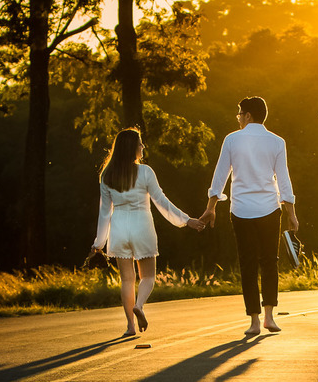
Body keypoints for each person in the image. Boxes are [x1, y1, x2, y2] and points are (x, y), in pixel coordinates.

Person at [197, 96, 298, 336]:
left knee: (248, 264)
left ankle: (254, 320)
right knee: (270, 262)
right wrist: (291, 212)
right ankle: (269, 317)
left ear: (248, 116)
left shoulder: (232, 139)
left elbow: (220, 174)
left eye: (240, 114)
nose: (238, 118)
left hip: (241, 210)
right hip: (270, 209)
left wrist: (211, 206)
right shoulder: (277, 142)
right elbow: (283, 179)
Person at [91, 127, 203, 336]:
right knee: (148, 276)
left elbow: (105, 213)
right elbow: (161, 202)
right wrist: (186, 220)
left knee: (126, 280)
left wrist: (98, 243)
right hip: (142, 224)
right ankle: (139, 305)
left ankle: (130, 327)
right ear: (132, 147)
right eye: (140, 143)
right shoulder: (145, 172)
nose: (143, 147)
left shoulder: (107, 174)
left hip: (119, 228)